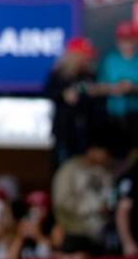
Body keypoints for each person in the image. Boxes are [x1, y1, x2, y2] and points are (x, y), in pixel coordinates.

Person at [46, 37, 111, 169]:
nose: (88, 59)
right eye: (84, 56)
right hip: (64, 133)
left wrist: (96, 93)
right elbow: (48, 92)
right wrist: (63, 94)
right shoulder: (59, 75)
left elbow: (97, 107)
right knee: (63, 170)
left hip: (86, 137)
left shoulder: (90, 76)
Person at [53, 130, 115, 251]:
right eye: (104, 152)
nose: (107, 157)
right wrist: (95, 207)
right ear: (92, 150)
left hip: (101, 237)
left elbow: (111, 196)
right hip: (74, 234)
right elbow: (62, 201)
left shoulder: (106, 172)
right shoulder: (69, 170)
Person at [100, 21, 138, 145]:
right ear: (117, 42)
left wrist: (132, 88)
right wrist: (114, 88)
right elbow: (99, 85)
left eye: (130, 40)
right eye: (123, 40)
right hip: (114, 113)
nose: (126, 44)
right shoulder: (110, 60)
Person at [6, 190, 61, 259]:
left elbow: (60, 258)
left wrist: (38, 236)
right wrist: (20, 237)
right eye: (32, 206)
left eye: (41, 206)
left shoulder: (55, 229)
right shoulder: (23, 227)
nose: (36, 210)